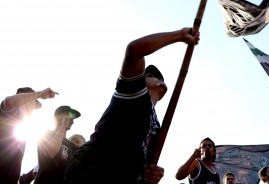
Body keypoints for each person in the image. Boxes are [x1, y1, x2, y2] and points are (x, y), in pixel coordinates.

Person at [63, 27, 200, 184]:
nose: (156, 78)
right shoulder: (133, 93)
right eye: (149, 74)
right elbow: (134, 50)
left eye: (159, 77)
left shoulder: (157, 126)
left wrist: (150, 174)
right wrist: (179, 35)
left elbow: (145, 167)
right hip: (92, 171)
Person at [0, 87, 58, 184]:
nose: (34, 109)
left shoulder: (23, 128)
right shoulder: (11, 115)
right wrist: (40, 94)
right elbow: (9, 102)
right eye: (33, 103)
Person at [33, 106, 81, 184]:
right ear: (57, 117)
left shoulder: (72, 146)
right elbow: (50, 153)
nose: (72, 121)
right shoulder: (45, 134)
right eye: (70, 116)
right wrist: (63, 125)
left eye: (73, 118)